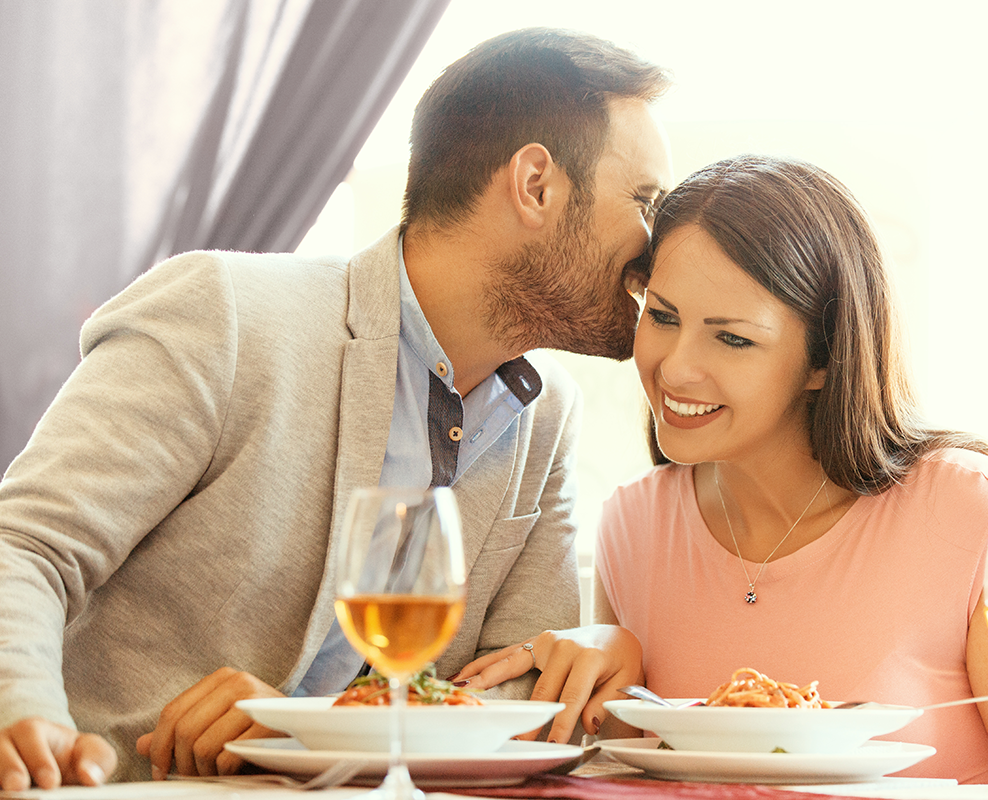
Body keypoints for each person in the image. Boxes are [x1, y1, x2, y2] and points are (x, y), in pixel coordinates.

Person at [0, 27, 673, 789]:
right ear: (536, 184)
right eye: (646, 202)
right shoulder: (224, 315)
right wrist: (25, 716)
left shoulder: (547, 418)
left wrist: (317, 732)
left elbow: (522, 695)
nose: (659, 245)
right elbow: (25, 548)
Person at [456, 155, 988, 799]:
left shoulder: (972, 515)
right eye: (664, 315)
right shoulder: (634, 526)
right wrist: (614, 682)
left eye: (734, 338)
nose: (675, 368)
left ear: (824, 359)